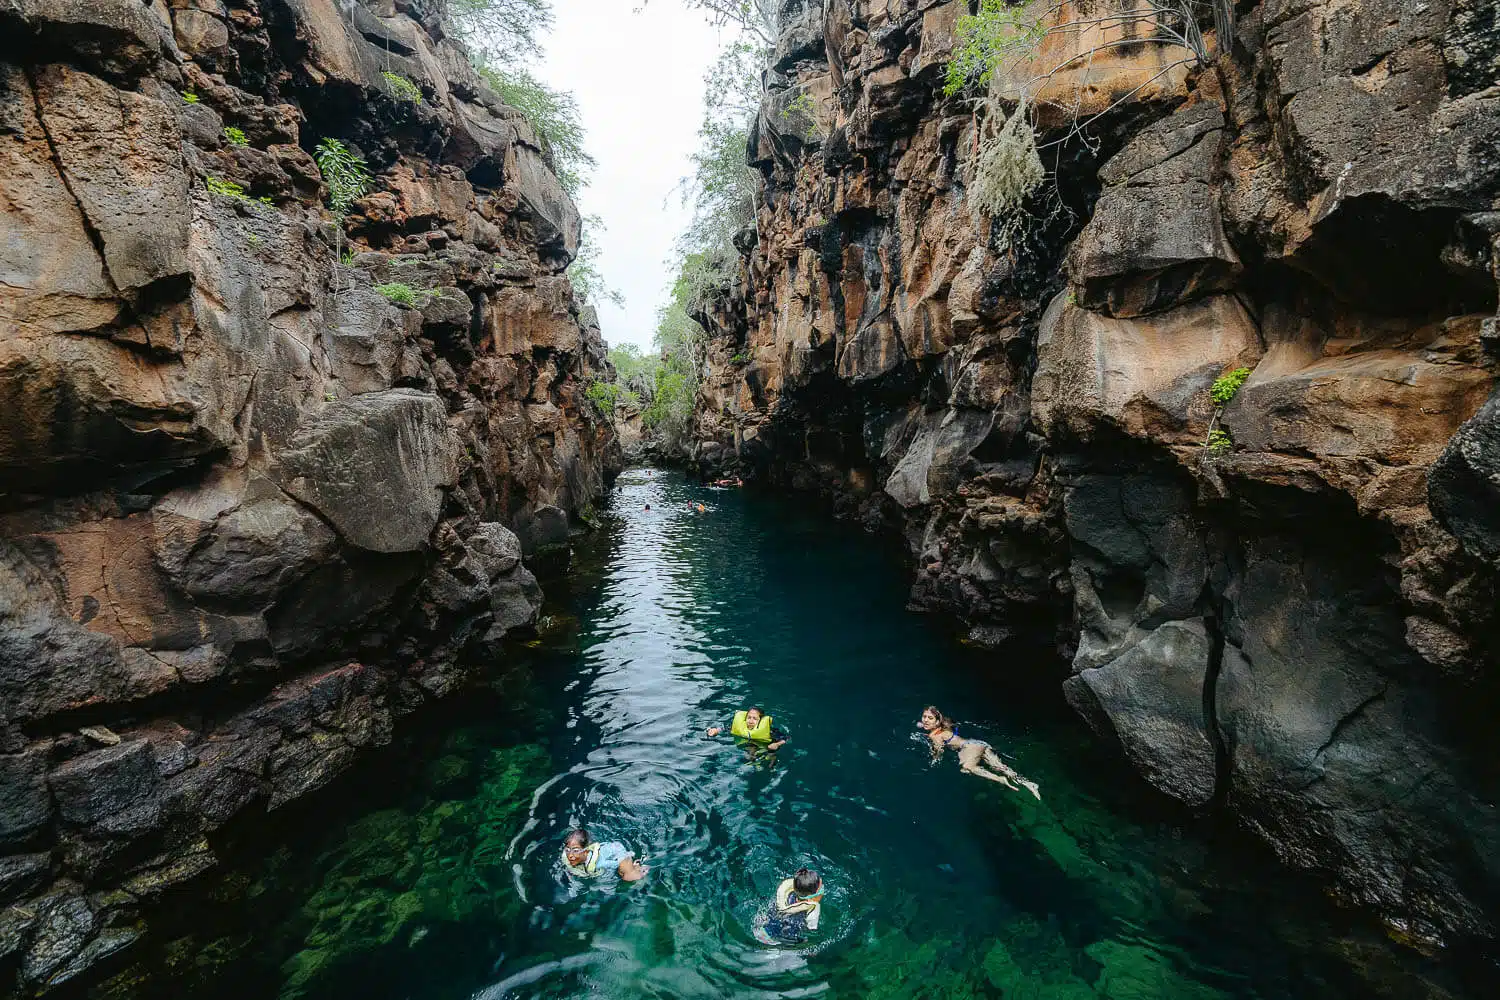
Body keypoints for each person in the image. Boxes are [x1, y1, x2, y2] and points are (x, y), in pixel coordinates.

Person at [919, 705, 1040, 799]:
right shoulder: (944, 726)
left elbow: (939, 751)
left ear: (937, 722)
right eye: (924, 717)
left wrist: (934, 759)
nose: (925, 720)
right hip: (978, 743)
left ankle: (1000, 780)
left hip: (970, 748)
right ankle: (1029, 784)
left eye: (930, 718)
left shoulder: (934, 736)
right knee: (1002, 767)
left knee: (967, 767)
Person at [560, 827, 647, 881]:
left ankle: (641, 867)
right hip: (606, 849)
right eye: (568, 850)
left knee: (627, 876)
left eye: (575, 851)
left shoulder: (598, 863)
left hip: (617, 852)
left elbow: (618, 862)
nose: (570, 855)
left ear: (586, 851)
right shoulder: (567, 856)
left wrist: (630, 865)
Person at [764, 867, 824, 942]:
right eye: (821, 888)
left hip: (762, 927)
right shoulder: (807, 915)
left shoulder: (789, 895)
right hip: (772, 940)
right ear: (811, 898)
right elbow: (810, 932)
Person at [706, 706, 788, 751]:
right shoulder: (740, 725)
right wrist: (715, 730)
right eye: (749, 717)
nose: (751, 721)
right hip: (748, 744)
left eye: (755, 718)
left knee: (771, 755)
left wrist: (777, 744)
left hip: (765, 746)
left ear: (760, 720)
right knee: (748, 754)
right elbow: (725, 728)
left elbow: (785, 738)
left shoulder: (769, 731)